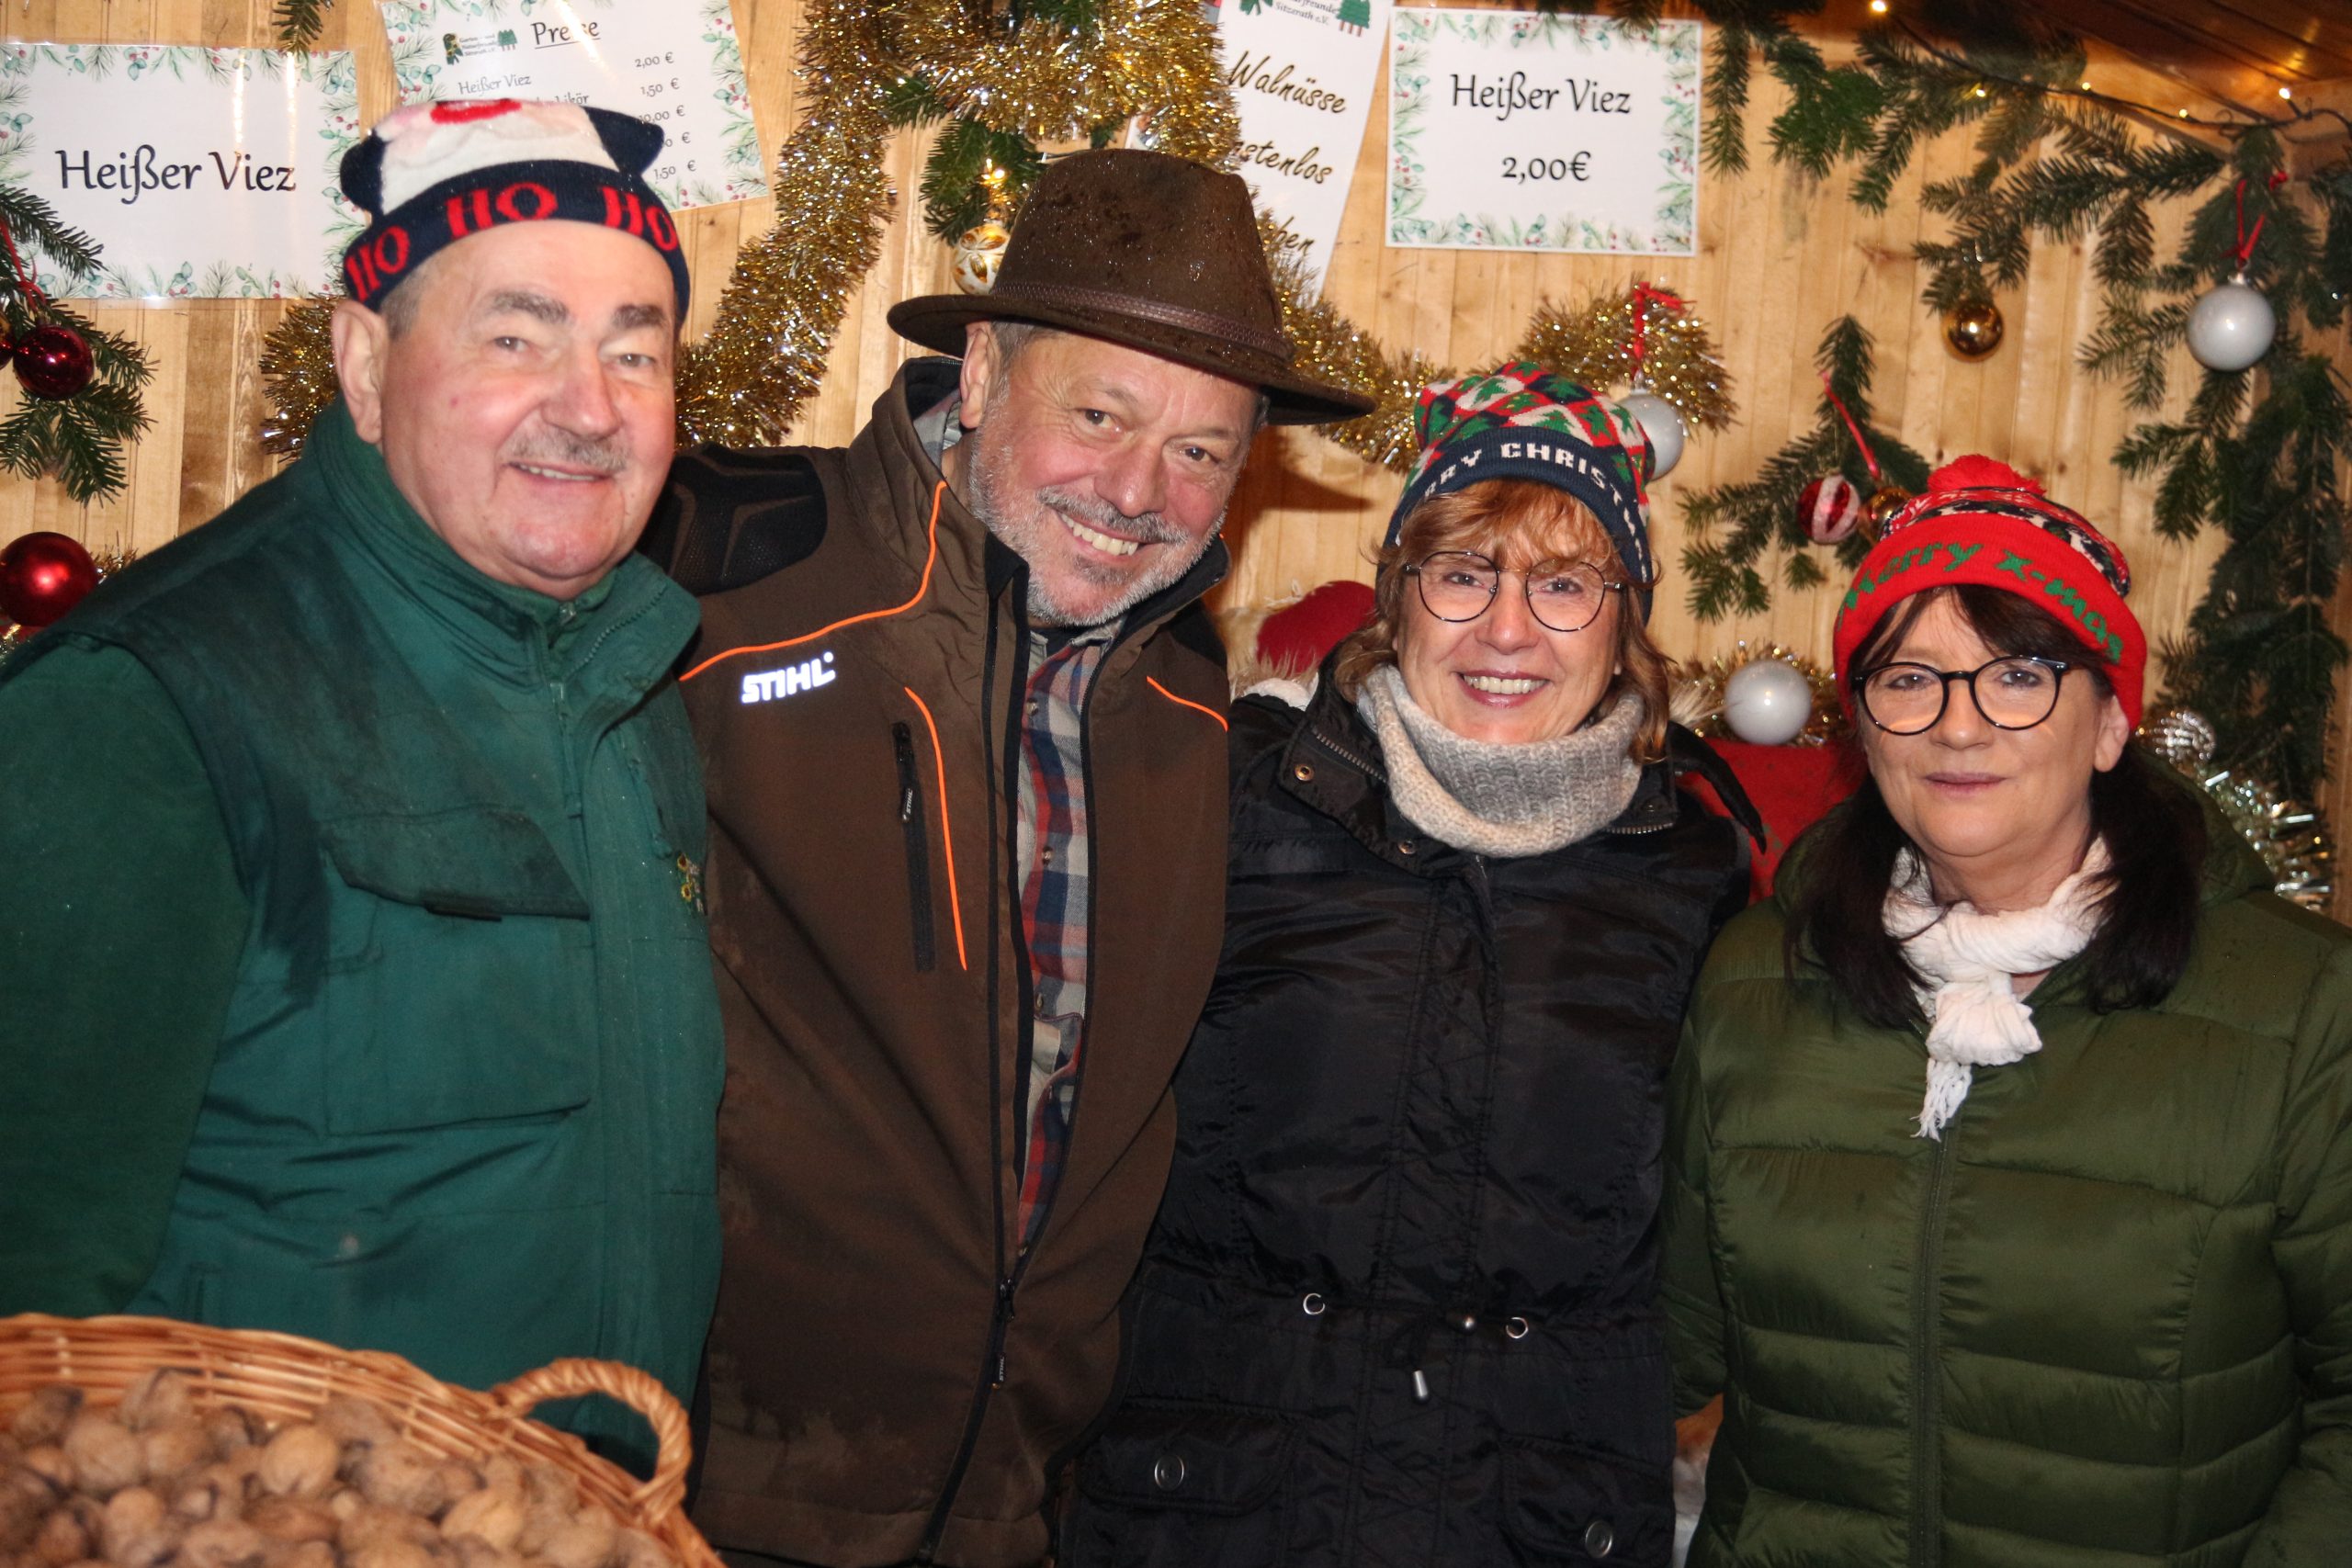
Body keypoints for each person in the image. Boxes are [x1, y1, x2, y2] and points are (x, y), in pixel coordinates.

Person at [646, 150, 1374, 1567]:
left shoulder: (1184, 698)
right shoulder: (725, 586)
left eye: (1202, 452)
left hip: (1011, 1499)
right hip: (701, 1488)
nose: (1136, 489)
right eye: (1100, 414)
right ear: (981, 372)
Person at [0, 100, 720, 1472]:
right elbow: (25, 1288)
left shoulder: (630, 677)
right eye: (516, 338)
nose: (590, 407)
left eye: (636, 351)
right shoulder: (143, 702)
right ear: (366, 362)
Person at [1061, 366, 1758, 1568]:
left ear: (1626, 615)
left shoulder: (1693, 871)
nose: (1506, 629)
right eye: (1462, 572)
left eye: (1563, 583)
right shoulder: (1238, 803)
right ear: (1398, 596)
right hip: (1215, 1512)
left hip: (1534, 1523)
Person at [1663, 457, 2352, 1564]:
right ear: (1863, 728)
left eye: (2019, 675)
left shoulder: (2303, 1004)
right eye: (1907, 679)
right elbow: (1652, 1345)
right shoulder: (1756, 980)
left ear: (2110, 723)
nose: (1957, 726)